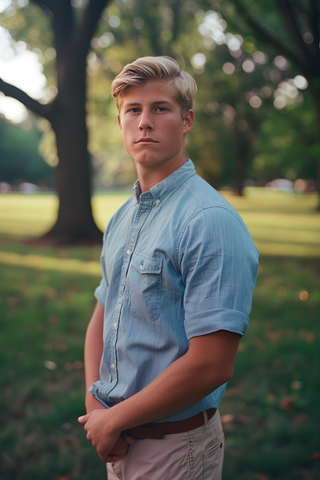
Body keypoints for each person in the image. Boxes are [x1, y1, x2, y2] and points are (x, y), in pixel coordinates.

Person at [78, 56, 259, 480]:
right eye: (133, 110)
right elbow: (102, 315)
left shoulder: (208, 219)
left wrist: (114, 419)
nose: (145, 122)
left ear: (186, 120)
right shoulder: (124, 215)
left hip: (176, 450)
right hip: (117, 436)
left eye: (160, 108)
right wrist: (97, 408)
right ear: (121, 122)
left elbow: (211, 364)